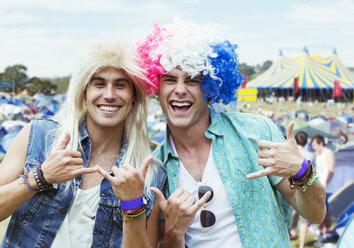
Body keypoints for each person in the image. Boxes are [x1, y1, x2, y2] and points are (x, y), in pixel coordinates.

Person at [136, 19, 327, 247]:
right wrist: (174, 233)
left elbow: (316, 215)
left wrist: (302, 172)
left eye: (192, 80)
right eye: (169, 79)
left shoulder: (255, 133)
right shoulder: (156, 168)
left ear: (210, 87)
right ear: (156, 87)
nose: (179, 89)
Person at [0, 40, 166, 248]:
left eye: (120, 85)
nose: (109, 94)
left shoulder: (149, 172)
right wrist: (40, 177)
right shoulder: (38, 135)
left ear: (134, 97)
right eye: (99, 83)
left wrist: (132, 204)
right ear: (84, 93)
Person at [311, 134, 335, 243]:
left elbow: (331, 170)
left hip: (325, 187)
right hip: (319, 186)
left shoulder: (328, 153)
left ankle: (324, 233)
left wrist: (325, 184)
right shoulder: (319, 154)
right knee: (322, 211)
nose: (313, 148)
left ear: (321, 143)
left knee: (320, 211)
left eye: (315, 145)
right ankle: (325, 232)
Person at [292, 131, 315, 248]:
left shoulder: (292, 154)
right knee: (304, 219)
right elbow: (313, 173)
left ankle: (288, 235)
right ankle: (301, 245)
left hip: (292, 187)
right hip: (306, 188)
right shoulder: (311, 155)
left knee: (290, 214)